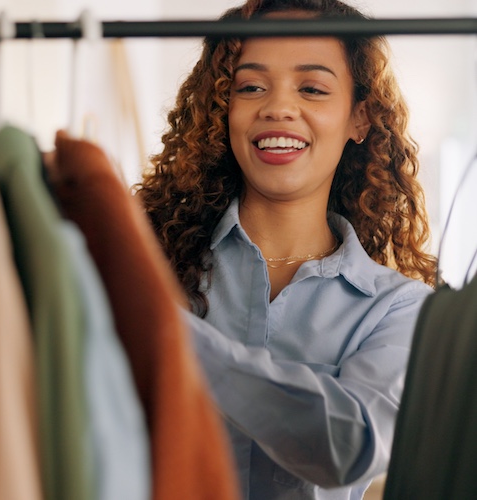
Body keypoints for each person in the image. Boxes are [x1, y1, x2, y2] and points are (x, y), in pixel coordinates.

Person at [134, 0, 437, 498]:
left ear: (359, 118)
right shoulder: (155, 261)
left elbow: (348, 446)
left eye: (312, 88)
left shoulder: (401, 311)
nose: (276, 107)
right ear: (223, 110)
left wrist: (161, 330)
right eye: (250, 86)